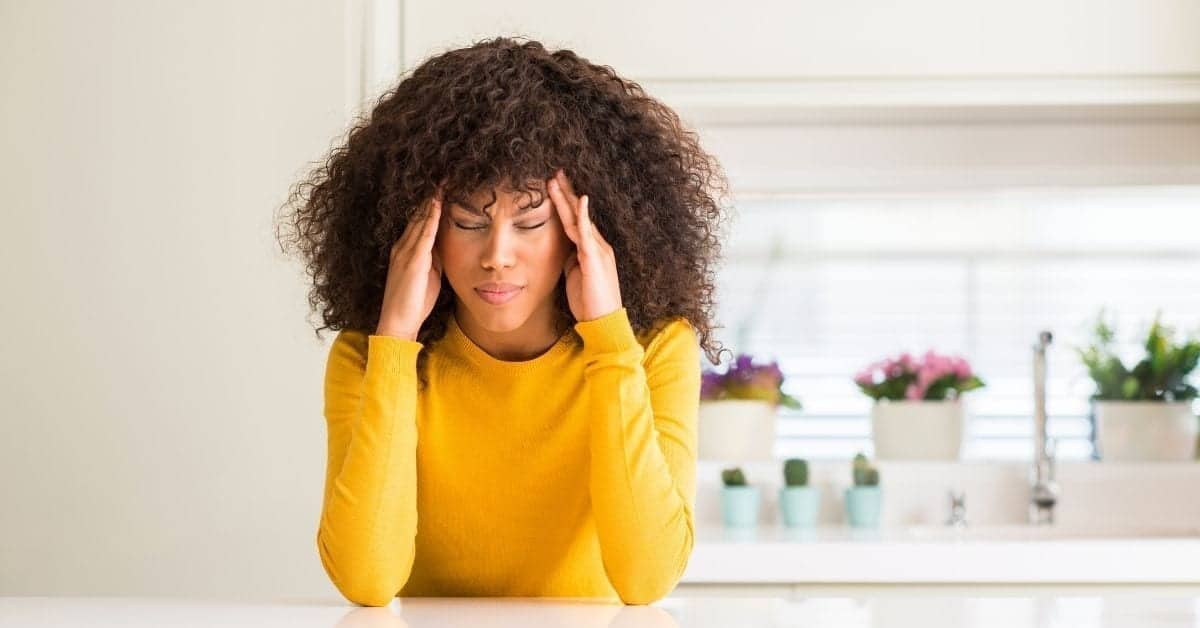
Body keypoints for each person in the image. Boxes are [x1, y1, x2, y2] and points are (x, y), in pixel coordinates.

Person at [275, 36, 730, 606]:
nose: (497, 254)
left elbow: (647, 579)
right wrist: (395, 342)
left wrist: (610, 341)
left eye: (530, 221)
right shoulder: (368, 356)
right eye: (468, 221)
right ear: (420, 230)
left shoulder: (653, 348)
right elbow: (367, 579)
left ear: (583, 228)